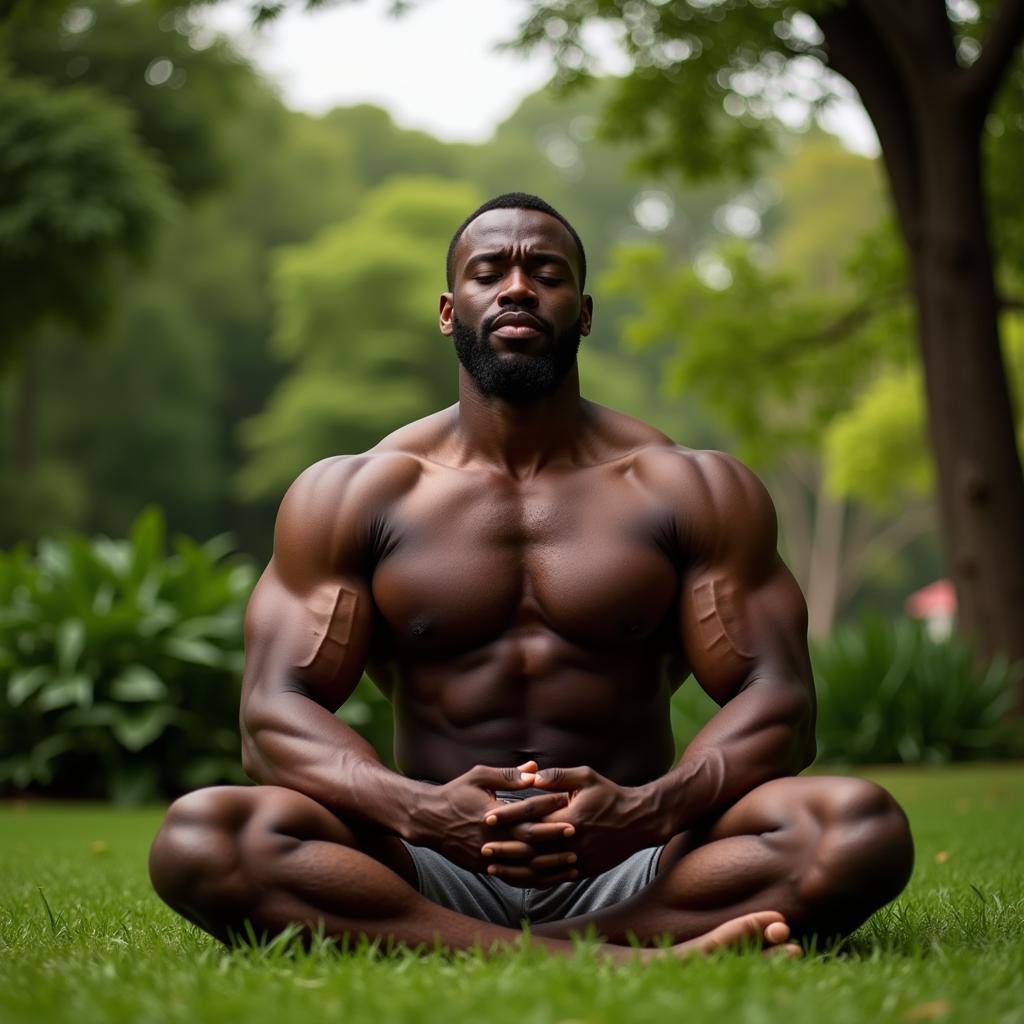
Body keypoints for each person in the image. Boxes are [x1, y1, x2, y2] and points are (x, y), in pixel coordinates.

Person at [150, 193, 913, 961]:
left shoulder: (692, 490)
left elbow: (781, 702)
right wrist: (422, 811)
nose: (518, 287)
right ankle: (627, 955)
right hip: (424, 862)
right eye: (491, 272)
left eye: (545, 273)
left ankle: (468, 945)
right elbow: (271, 715)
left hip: (636, 862)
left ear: (582, 313)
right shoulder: (353, 495)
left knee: (856, 827)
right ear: (451, 311)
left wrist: (646, 812)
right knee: (202, 837)